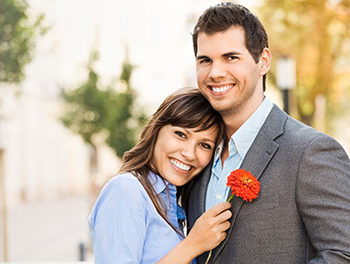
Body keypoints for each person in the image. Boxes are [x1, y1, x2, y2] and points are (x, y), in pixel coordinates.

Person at [186, 2, 350, 263]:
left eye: (231, 57)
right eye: (205, 60)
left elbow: (343, 254)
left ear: (263, 61)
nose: (216, 73)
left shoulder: (311, 152)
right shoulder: (197, 159)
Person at [88, 87, 233, 264]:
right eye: (181, 134)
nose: (189, 153)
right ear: (156, 130)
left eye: (204, 145)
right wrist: (192, 245)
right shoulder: (126, 191)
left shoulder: (170, 203)